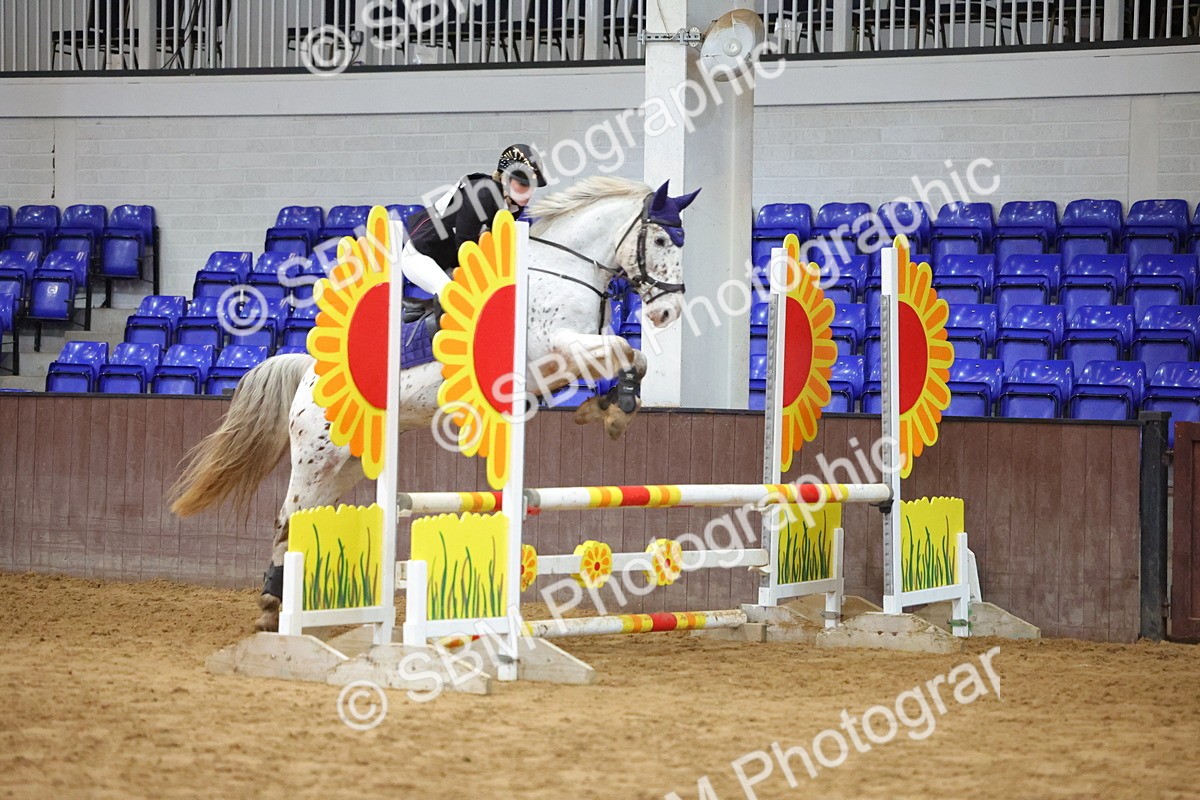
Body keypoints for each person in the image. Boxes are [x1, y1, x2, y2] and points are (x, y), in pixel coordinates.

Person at [401, 143, 547, 308]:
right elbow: (465, 245)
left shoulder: (512, 204)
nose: (528, 193)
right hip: (420, 255)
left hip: (447, 259)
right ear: (505, 178)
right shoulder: (481, 194)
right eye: (523, 185)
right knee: (452, 296)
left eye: (532, 187)